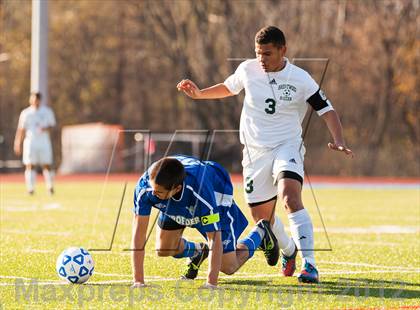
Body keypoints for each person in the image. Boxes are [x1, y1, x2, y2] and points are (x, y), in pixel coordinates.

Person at [177, 26, 354, 283]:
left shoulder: (301, 78)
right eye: (258, 53)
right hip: (254, 153)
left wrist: (338, 140)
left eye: (268, 54)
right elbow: (229, 88)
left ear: (283, 50)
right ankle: (290, 250)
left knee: (290, 197)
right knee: (263, 220)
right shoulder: (248, 69)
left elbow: (327, 110)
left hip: (287, 146)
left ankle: (310, 265)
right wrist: (200, 94)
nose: (262, 59)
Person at [131, 155, 278, 289]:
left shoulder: (201, 192)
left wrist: (211, 283)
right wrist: (138, 281)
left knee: (228, 266)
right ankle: (198, 251)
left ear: (177, 189)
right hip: (175, 200)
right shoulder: (146, 187)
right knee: (164, 249)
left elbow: (214, 237)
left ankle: (261, 233)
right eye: (152, 189)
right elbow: (139, 234)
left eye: (158, 192)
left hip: (216, 195)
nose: (152, 194)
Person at [14, 92, 56, 195]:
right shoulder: (26, 113)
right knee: (30, 165)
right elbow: (21, 129)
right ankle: (30, 189)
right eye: (32, 99)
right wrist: (17, 142)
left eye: (36, 99)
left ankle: (50, 187)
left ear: (40, 100)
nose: (34, 101)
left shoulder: (47, 111)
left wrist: (44, 128)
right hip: (31, 142)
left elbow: (52, 125)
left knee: (47, 164)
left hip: (43, 141)